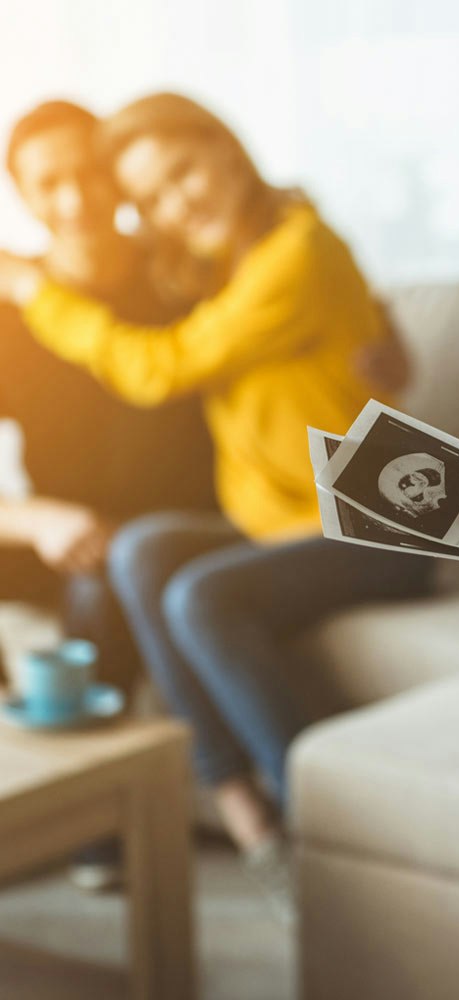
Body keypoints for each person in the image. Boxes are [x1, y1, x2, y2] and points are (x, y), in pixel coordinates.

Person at [0, 93, 431, 911]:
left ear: (226, 150)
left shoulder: (257, 260)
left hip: (366, 514)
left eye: (180, 175)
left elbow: (161, 366)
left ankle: (325, 828)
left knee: (195, 593)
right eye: (153, 196)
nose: (171, 204)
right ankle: (242, 815)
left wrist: (37, 291)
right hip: (261, 519)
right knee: (138, 553)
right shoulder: (205, 262)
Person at [0, 100, 217, 891]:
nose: (76, 199)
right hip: (66, 529)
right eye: (49, 182)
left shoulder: (184, 272)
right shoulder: (11, 314)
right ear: (21, 196)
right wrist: (37, 518)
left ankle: (99, 821)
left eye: (91, 172)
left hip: (181, 530)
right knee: (87, 552)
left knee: (110, 565)